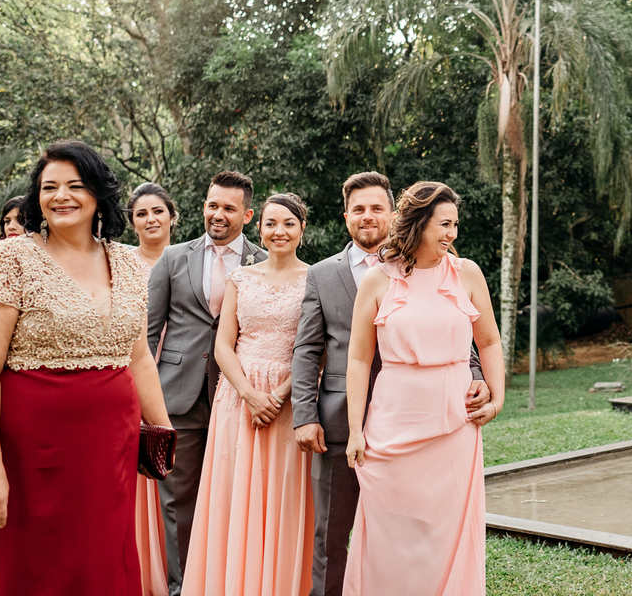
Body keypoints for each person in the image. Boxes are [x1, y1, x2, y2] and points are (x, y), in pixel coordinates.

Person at [0, 139, 173, 595]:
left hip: (108, 453)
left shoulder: (128, 265)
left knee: (100, 563)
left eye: (75, 185)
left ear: (98, 193)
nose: (61, 196)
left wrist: (162, 431)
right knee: (33, 567)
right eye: (49, 186)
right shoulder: (9, 258)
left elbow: (137, 358)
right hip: (28, 454)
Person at [292, 173, 488, 596]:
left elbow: (460, 335)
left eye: (376, 207)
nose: (368, 216)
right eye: (358, 209)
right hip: (346, 423)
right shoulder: (323, 275)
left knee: (416, 529)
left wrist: (477, 379)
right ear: (346, 216)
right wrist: (305, 416)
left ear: (395, 214)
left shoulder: (441, 265)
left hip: (432, 417)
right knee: (334, 533)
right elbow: (308, 350)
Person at [342, 182, 504, 596]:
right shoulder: (378, 280)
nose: (452, 233)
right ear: (419, 224)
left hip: (454, 421)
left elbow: (488, 341)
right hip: (393, 422)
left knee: (447, 532)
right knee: (388, 532)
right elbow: (359, 359)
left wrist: (498, 397)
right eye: (444, 224)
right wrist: (356, 430)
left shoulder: (467, 273)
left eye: (455, 224)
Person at [183, 193, 314, 595]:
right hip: (236, 396)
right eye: (272, 223)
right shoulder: (240, 278)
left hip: (289, 397)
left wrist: (277, 395)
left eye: (289, 224)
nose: (280, 231)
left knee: (283, 495)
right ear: (260, 228)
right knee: (233, 492)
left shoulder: (317, 278)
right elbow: (224, 346)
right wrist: (249, 394)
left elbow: (316, 348)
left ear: (302, 231)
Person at [147, 171, 267, 596]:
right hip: (179, 392)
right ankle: (183, 587)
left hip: (237, 395)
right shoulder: (174, 257)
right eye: (212, 204)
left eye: (229, 208)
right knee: (177, 498)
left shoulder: (263, 259)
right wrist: (145, 395)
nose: (217, 214)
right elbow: (148, 331)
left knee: (235, 496)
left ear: (248, 214)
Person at [128, 182, 179, 596]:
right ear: (132, 222)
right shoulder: (120, 263)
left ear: (172, 217)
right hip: (132, 369)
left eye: (158, 211)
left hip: (179, 379)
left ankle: (173, 562)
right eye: (142, 213)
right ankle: (139, 565)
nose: (151, 219)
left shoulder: (187, 261)